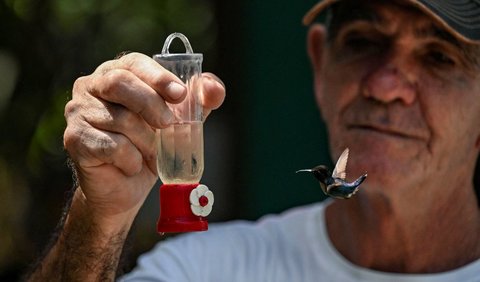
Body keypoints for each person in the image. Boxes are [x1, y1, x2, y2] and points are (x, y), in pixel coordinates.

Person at [26, 0, 480, 281]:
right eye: (363, 42)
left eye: (439, 56)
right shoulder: (208, 268)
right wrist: (98, 218)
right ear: (320, 66)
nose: (385, 85)